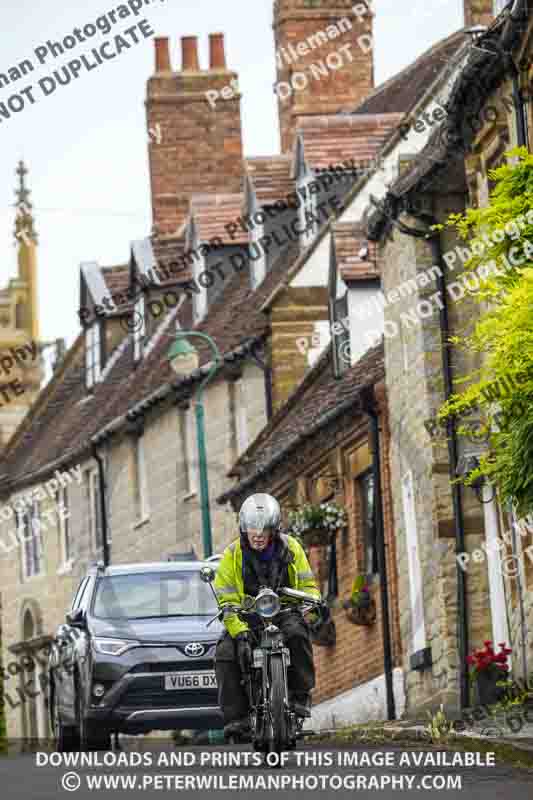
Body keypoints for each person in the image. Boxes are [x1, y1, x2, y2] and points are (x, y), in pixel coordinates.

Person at [214, 493, 321, 738]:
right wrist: (239, 631)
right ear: (244, 528)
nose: (258, 534)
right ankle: (237, 717)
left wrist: (311, 602)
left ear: (274, 529)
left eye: (265, 528)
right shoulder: (232, 555)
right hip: (246, 617)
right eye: (252, 528)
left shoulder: (291, 547)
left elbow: (307, 583)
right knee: (225, 652)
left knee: (297, 633)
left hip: (284, 611)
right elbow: (226, 600)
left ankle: (300, 695)